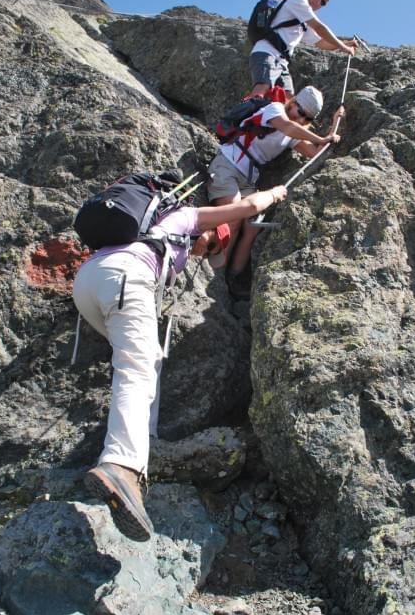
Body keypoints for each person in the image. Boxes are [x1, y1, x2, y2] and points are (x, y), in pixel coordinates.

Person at [73, 185, 287, 542]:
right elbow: (249, 205)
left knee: (146, 361)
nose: (206, 251)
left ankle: (144, 444)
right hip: (127, 277)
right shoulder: (186, 217)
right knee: (137, 367)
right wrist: (276, 193)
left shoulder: (153, 235)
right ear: (206, 232)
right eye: (211, 244)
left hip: (91, 282)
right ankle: (122, 464)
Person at [207, 85, 345, 298]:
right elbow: (288, 127)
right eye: (300, 113)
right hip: (227, 164)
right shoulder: (275, 109)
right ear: (294, 102)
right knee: (232, 219)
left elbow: (316, 153)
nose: (301, 120)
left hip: (248, 178)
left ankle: (233, 278)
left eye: (307, 119)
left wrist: (335, 125)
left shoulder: (294, 131)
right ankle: (215, 277)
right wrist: (320, 137)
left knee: (252, 228)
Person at [249, 0, 357, 98]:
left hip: (281, 61)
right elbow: (319, 28)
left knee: (288, 98)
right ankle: (242, 115)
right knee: (262, 88)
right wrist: (343, 47)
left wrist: (344, 45)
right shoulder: (298, 1)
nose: (318, 2)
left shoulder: (304, 21)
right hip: (267, 52)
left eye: (323, 2)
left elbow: (320, 43)